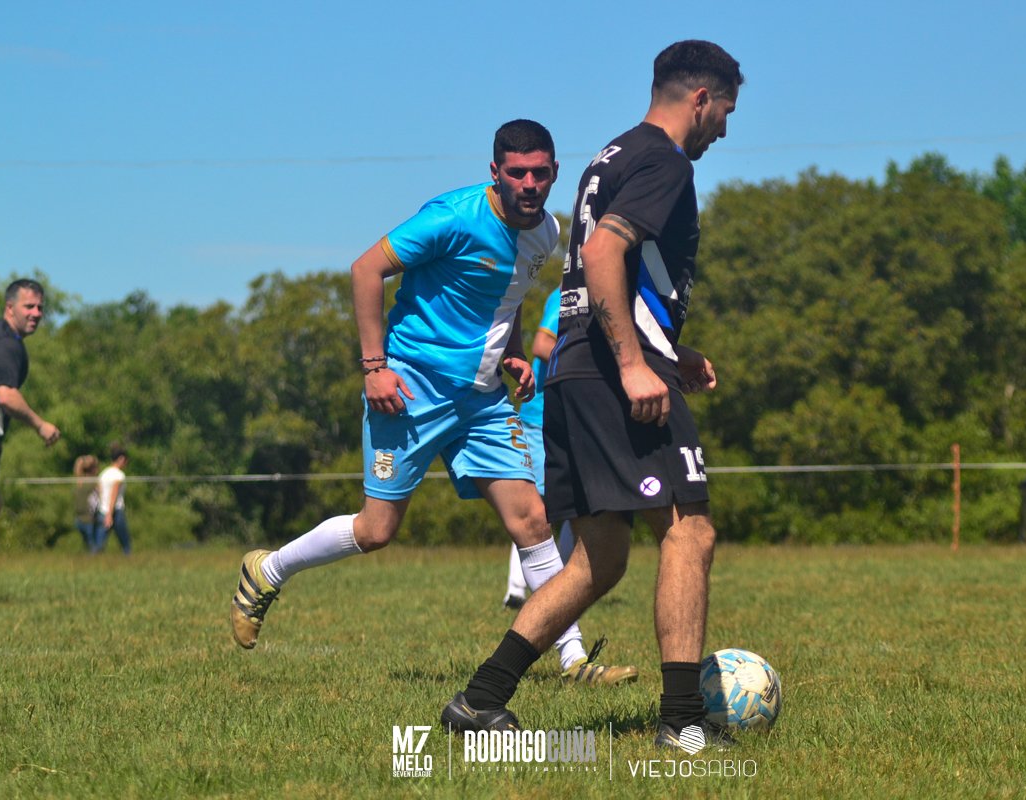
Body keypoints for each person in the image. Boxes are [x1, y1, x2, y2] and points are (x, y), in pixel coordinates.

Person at [229, 119, 636, 687]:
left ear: (554, 173)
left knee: (533, 520)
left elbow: (510, 296)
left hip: (483, 400)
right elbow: (366, 269)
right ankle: (267, 569)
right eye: (517, 173)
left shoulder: (547, 232)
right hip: (410, 390)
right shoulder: (452, 217)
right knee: (376, 530)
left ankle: (573, 662)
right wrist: (375, 368)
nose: (529, 184)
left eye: (540, 174)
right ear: (495, 172)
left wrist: (515, 353)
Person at [441, 41, 743, 752]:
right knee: (690, 530)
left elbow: (596, 278)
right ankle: (682, 722)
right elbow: (605, 252)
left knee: (599, 559)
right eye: (726, 112)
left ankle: (479, 700)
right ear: (701, 99)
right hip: (615, 374)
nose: (725, 130)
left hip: (577, 369)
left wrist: (668, 350)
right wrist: (637, 364)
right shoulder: (664, 161)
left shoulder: (611, 155)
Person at [502, 287, 573, 609]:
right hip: (541, 417)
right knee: (536, 506)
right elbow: (542, 344)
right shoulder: (567, 294)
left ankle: (562, 588)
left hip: (575, 420)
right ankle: (517, 590)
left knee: (581, 505)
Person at [0, 279, 61, 541]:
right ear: (10, 307)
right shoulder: (6, 343)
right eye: (29, 306)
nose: (36, 313)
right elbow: (7, 396)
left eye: (40, 308)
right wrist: (40, 425)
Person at [46, 454, 99, 549]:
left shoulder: (79, 482)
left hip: (78, 519)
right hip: (90, 520)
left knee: (87, 546)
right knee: (94, 548)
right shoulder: (95, 483)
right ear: (94, 469)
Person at [92, 444, 132, 555]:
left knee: (99, 542)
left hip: (102, 510)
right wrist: (110, 514)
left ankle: (93, 559)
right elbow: (114, 494)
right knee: (125, 542)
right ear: (121, 459)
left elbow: (98, 491)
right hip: (115, 511)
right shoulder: (119, 475)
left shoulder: (103, 474)